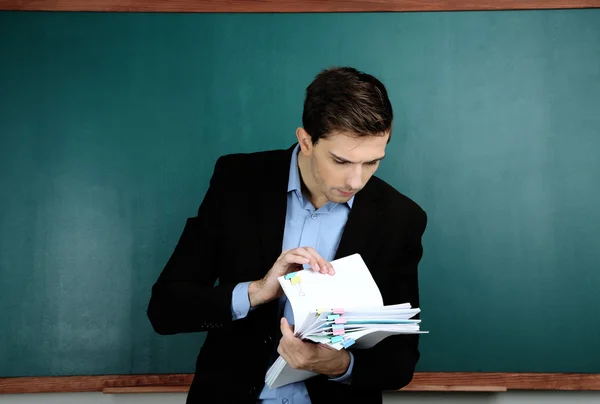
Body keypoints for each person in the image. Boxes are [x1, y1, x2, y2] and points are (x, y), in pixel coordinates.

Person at [147, 66, 427, 404]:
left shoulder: (401, 218)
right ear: (306, 140)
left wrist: (340, 365)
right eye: (341, 161)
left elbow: (400, 360)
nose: (356, 181)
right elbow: (165, 308)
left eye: (372, 162)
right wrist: (255, 293)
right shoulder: (237, 182)